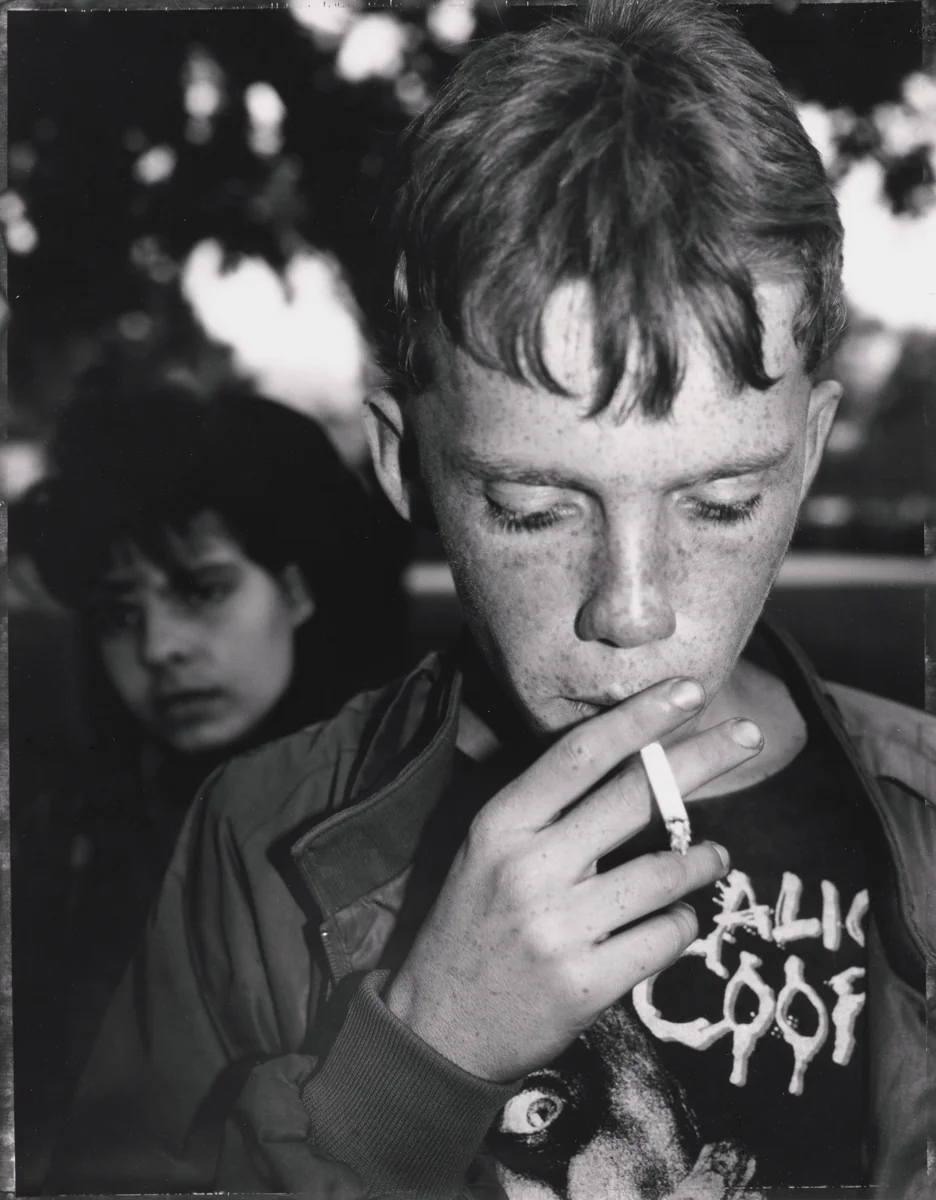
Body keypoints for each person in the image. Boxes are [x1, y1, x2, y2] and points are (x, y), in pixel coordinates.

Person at [48, 2, 934, 1196]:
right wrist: (414, 1066)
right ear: (404, 464)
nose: (632, 610)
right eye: (532, 507)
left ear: (812, 448)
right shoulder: (254, 840)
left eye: (722, 502)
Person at [13, 368, 404, 1185]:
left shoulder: (392, 799)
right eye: (121, 614)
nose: (159, 648)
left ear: (296, 589)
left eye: (202, 590)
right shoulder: (70, 837)